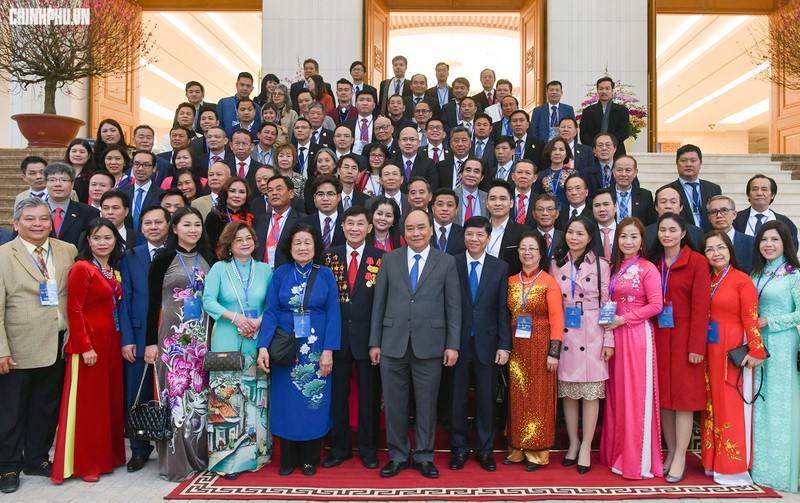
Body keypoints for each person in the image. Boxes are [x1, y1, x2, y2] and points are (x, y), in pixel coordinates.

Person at [368, 209, 461, 480]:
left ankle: (423, 456)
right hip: (392, 343)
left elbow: (453, 307)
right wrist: (375, 342)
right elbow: (379, 303)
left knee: (427, 404)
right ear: (403, 232)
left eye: (421, 227)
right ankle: (397, 456)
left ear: (431, 230)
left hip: (430, 344)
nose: (416, 233)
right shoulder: (389, 259)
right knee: (394, 404)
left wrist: (452, 345)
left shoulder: (446, 262)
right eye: (410, 228)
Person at [0, 199, 77, 495]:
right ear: (16, 223)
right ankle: (8, 465)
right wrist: (2, 350)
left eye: (44, 219)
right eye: (30, 219)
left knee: (45, 407)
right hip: (17, 347)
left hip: (57, 343)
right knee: (11, 411)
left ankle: (36, 458)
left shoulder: (66, 250)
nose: (38, 224)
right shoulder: (4, 255)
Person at [255, 224, 341, 476]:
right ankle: (288, 458)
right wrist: (263, 346)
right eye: (297, 243)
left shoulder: (325, 274)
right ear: (289, 247)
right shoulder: (280, 274)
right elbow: (271, 311)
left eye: (307, 242)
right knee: (286, 403)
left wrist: (328, 351)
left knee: (314, 402)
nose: (302, 247)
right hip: (286, 349)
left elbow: (334, 314)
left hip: (316, 350)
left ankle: (309, 459)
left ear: (315, 247)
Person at [51, 218, 126, 483]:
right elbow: (74, 310)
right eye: (97, 238)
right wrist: (85, 347)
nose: (102, 243)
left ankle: (107, 456)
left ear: (115, 240)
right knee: (89, 405)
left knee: (108, 402)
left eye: (108, 237)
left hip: (111, 342)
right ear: (88, 241)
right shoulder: (82, 268)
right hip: (89, 345)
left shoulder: (112, 269)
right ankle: (86, 463)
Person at [144, 207, 214, 481]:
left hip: (201, 339)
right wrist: (150, 343)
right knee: (174, 398)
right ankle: (176, 462)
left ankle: (200, 456)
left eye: (197, 225)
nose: (193, 230)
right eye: (186, 225)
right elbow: (151, 303)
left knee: (199, 396)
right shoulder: (163, 259)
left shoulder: (209, 258)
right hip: (171, 340)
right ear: (174, 228)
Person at [202, 222, 273, 478]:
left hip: (255, 340)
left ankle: (257, 455)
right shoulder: (219, 269)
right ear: (229, 245)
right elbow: (208, 300)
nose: (245, 243)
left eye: (248, 238)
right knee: (226, 400)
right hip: (226, 340)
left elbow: (273, 303)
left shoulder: (265, 270)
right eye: (238, 239)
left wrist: (258, 321)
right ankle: (226, 461)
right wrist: (235, 318)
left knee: (255, 401)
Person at [699, 231, 767, 486]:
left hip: (733, 352)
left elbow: (751, 317)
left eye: (721, 247)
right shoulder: (708, 280)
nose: (716, 253)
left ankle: (733, 468)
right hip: (710, 353)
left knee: (732, 406)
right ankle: (712, 462)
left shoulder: (742, 280)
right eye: (709, 249)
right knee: (712, 406)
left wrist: (756, 351)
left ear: (730, 250)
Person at [599, 217, 664, 480]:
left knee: (636, 396)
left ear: (642, 241)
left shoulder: (648, 268)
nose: (628, 241)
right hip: (615, 337)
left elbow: (656, 306)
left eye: (634, 237)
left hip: (636, 336)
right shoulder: (613, 267)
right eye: (624, 236)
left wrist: (624, 319)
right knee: (617, 396)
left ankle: (637, 459)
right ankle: (617, 452)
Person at [322, 207, 385, 470]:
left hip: (368, 340)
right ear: (342, 227)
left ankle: (369, 450)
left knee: (369, 397)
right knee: (338, 395)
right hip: (336, 338)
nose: (355, 228)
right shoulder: (329, 256)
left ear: (370, 228)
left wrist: (377, 341)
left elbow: (383, 303)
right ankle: (340, 449)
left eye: (361, 224)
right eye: (350, 223)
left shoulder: (381, 258)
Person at [649, 213, 709, 483]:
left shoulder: (696, 261)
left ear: (683, 233)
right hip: (660, 338)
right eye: (662, 230)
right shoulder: (655, 262)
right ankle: (671, 451)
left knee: (684, 400)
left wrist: (697, 345)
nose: (667, 235)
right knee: (664, 399)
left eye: (672, 230)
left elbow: (701, 307)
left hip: (686, 340)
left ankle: (681, 456)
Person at [551, 216, 612, 474]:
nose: (574, 238)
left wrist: (609, 339)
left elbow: (608, 304)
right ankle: (573, 442)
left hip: (592, 331)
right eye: (570, 232)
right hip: (565, 330)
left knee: (590, 392)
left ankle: (586, 445)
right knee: (568, 391)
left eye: (580, 233)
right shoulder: (555, 263)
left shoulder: (601, 264)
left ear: (590, 237)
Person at [449, 216, 510, 472]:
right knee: (458, 399)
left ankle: (485, 451)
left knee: (486, 400)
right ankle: (459, 449)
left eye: (480, 235)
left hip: (488, 343)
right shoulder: (451, 263)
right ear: (464, 236)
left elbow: (503, 310)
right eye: (469, 234)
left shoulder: (500, 267)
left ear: (488, 238)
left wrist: (504, 345)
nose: (474, 239)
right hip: (457, 344)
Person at [504, 231, 564, 470]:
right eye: (523, 248)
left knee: (538, 398)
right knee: (518, 398)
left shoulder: (548, 282)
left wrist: (554, 352)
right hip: (516, 349)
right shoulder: (510, 281)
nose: (527, 253)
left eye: (532, 248)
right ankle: (517, 450)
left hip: (541, 348)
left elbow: (557, 320)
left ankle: (537, 452)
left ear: (541, 253)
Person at [119, 205, 170, 473]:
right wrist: (127, 339)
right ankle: (139, 449)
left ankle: (169, 445)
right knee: (137, 393)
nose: (153, 227)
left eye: (158, 222)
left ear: (168, 225)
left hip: (171, 334)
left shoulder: (177, 254)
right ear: (141, 226)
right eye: (147, 223)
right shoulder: (130, 256)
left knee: (169, 393)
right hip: (139, 337)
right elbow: (125, 300)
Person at [750, 220, 800, 492]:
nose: (768, 245)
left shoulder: (794, 275)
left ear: (785, 243)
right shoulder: (755, 273)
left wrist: (770, 321)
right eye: (764, 240)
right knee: (760, 405)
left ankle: (781, 473)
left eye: (774, 240)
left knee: (781, 406)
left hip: (782, 345)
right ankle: (758, 468)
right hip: (757, 345)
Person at [660, 144, 721, 232]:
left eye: (693, 160)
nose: (688, 164)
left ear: (700, 163)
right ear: (677, 164)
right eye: (684, 160)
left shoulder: (713, 189)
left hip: (709, 236)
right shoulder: (667, 191)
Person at [733, 174, 799, 249]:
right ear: (748, 195)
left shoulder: (785, 222)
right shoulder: (735, 219)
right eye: (754, 189)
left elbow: (791, 249)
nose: (759, 193)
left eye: (764, 189)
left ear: (772, 195)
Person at [45, 163, 100, 248]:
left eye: (64, 180)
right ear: (45, 183)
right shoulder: (34, 211)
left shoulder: (90, 213)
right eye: (52, 180)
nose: (58, 184)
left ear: (72, 185)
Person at [578, 76, 630, 156]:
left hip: (616, 152)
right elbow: (584, 135)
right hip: (593, 152)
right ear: (597, 90)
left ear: (612, 90)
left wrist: (609, 144)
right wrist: (596, 146)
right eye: (601, 89)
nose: (604, 91)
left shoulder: (622, 110)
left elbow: (624, 132)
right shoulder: (588, 111)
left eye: (607, 88)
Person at [706, 195, 755, 274]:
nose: (719, 215)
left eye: (724, 210)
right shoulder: (705, 243)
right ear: (709, 218)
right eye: (713, 212)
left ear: (734, 214)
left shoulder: (751, 242)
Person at [205, 177, 253, 250]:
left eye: (242, 192)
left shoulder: (251, 216)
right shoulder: (215, 216)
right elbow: (208, 246)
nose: (237, 196)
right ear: (225, 193)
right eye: (232, 191)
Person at [532, 136, 575, 212]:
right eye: (553, 149)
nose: (557, 153)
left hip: (568, 213)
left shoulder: (573, 174)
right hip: (546, 213)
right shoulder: (541, 175)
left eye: (561, 150)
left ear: (566, 153)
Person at [64, 139, 94, 203]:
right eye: (74, 151)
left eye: (82, 152)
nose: (77, 154)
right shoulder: (61, 173)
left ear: (89, 155)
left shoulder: (93, 177)